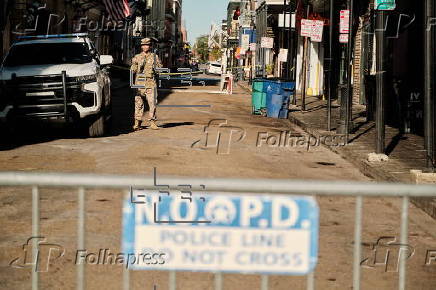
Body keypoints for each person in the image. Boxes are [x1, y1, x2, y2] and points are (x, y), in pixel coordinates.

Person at [130, 38, 162, 131]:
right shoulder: (137, 57)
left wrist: (157, 68)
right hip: (139, 85)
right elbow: (133, 70)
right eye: (143, 45)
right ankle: (137, 123)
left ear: (150, 46)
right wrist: (136, 66)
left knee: (152, 104)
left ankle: (152, 122)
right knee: (139, 104)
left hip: (151, 84)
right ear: (141, 46)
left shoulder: (154, 57)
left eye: (147, 45)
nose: (145, 47)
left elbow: (159, 70)